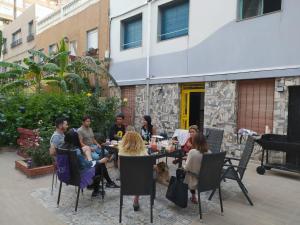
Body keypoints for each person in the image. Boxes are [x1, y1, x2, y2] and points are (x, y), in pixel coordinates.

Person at [118, 131, 148, 211]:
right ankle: (136, 199)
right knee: (141, 175)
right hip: (140, 180)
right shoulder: (143, 151)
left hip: (126, 179)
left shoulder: (121, 151)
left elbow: (119, 167)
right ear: (139, 139)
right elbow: (147, 165)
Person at [184, 133, 210, 204]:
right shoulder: (209, 152)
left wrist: (186, 161)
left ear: (195, 142)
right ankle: (193, 197)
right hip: (207, 181)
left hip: (195, 182)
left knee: (181, 172)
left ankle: (189, 196)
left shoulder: (192, 152)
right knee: (194, 170)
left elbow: (186, 168)